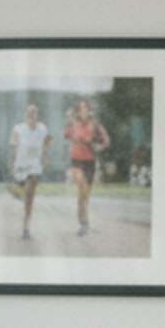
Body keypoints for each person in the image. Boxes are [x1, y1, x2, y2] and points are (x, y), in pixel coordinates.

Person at [64, 99, 111, 237]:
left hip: (90, 162)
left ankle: (84, 221)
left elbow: (106, 141)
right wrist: (68, 120)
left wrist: (98, 147)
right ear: (78, 112)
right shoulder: (74, 125)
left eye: (85, 108)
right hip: (76, 161)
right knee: (82, 187)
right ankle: (84, 223)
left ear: (89, 111)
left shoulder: (95, 126)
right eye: (80, 109)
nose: (83, 111)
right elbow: (66, 135)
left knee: (85, 196)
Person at [7, 101, 50, 239]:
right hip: (21, 165)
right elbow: (13, 146)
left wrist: (45, 158)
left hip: (35, 166)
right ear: (26, 114)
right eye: (29, 112)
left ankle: (26, 227)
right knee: (24, 193)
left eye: (34, 112)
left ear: (37, 114)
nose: (32, 115)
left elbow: (47, 143)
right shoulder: (18, 128)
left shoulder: (43, 128)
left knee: (30, 194)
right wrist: (12, 164)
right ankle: (19, 191)